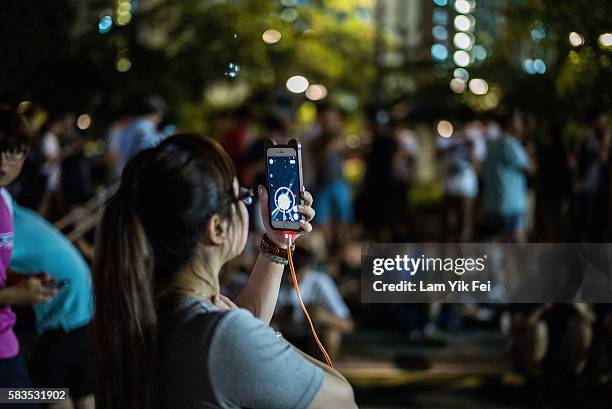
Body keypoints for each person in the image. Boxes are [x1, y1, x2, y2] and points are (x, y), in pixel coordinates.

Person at [93, 133, 356, 409]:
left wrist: (277, 246)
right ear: (217, 228)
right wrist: (264, 340)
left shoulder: (143, 306)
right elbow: (342, 399)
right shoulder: (223, 335)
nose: (247, 203)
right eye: (241, 196)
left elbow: (237, 335)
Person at [9, 203, 94, 409]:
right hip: (83, 311)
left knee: (41, 390)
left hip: (64, 317)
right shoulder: (14, 211)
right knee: (79, 387)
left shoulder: (7, 226)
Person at [0, 106, 56, 399]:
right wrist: (14, 296)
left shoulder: (4, 200)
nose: (2, 163)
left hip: (7, 345)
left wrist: (21, 279)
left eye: (13, 153)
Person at [275, 245, 353, 360]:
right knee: (271, 330)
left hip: (313, 341)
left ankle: (327, 372)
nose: (292, 278)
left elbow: (348, 324)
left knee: (332, 334)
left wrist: (322, 317)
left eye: (297, 272)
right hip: (285, 338)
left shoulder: (320, 282)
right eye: (289, 271)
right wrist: (280, 318)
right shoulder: (276, 280)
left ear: (306, 268)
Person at [482, 111, 532, 242]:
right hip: (511, 204)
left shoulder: (491, 144)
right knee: (517, 241)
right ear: (513, 124)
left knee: (493, 241)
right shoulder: (511, 145)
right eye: (520, 122)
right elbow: (529, 169)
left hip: (491, 203)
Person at [117, 96, 167, 174]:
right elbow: (152, 147)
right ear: (157, 114)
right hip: (133, 175)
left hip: (122, 173)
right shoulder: (145, 126)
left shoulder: (130, 125)